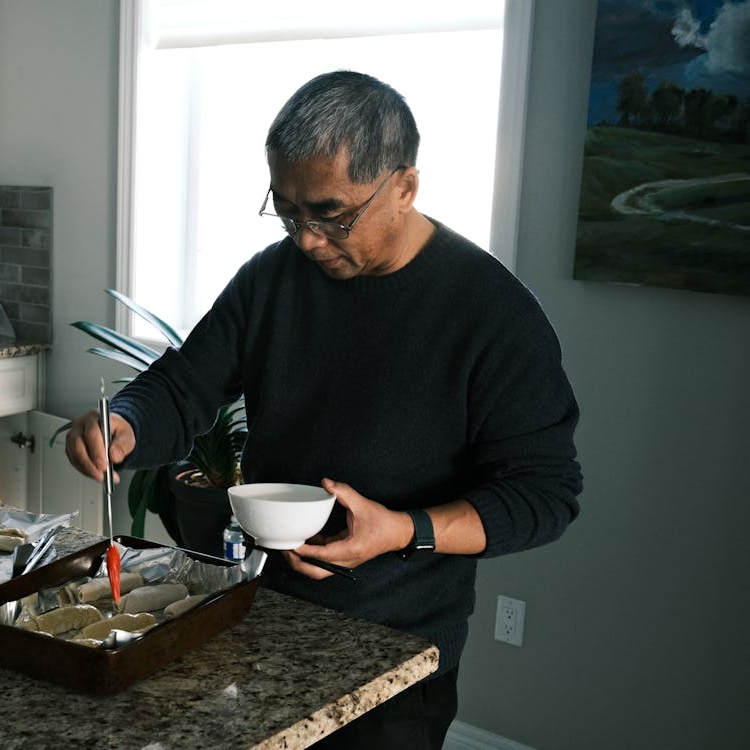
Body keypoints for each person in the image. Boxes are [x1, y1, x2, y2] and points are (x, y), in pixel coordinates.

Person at [66, 70, 582, 749]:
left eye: (330, 215)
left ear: (403, 186)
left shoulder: (493, 316)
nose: (306, 239)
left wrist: (402, 529)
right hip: (257, 613)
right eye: (286, 211)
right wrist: (126, 421)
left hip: (393, 650)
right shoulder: (270, 279)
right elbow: (182, 386)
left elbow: (543, 494)